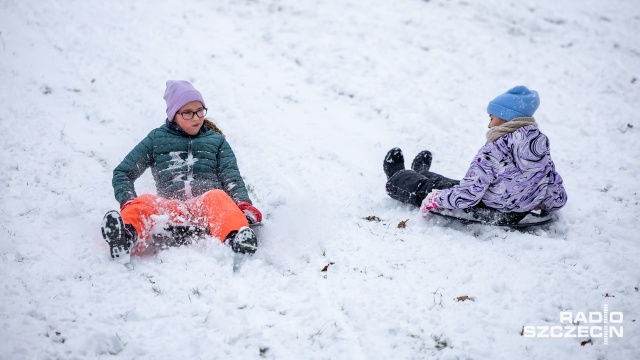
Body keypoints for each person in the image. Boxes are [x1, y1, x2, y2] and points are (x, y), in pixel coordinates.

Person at [101, 80, 262, 261]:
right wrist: (127, 200)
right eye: (187, 113)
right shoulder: (156, 139)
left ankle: (237, 238)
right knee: (143, 202)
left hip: (205, 210)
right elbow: (123, 172)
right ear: (173, 115)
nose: (196, 118)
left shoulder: (216, 141)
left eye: (200, 111)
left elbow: (231, 177)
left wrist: (244, 205)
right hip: (168, 211)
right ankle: (125, 238)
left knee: (217, 197)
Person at [383, 85, 567, 224]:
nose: (489, 125)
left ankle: (397, 176)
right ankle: (421, 171)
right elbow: (552, 185)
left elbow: (469, 194)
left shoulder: (495, 150)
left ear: (507, 118)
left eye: (491, 118)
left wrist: (435, 198)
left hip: (488, 208)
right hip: (516, 211)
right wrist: (540, 202)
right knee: (450, 183)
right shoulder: (539, 147)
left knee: (430, 188)